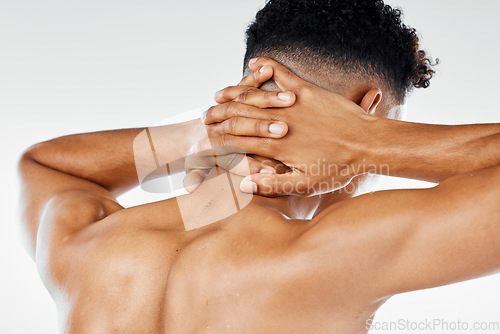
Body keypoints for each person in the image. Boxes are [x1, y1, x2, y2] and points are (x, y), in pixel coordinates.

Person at [18, 1, 499, 333]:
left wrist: (200, 135)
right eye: (386, 124)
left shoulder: (88, 244)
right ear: (369, 109)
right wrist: (370, 140)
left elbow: (43, 163)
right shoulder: (337, 252)